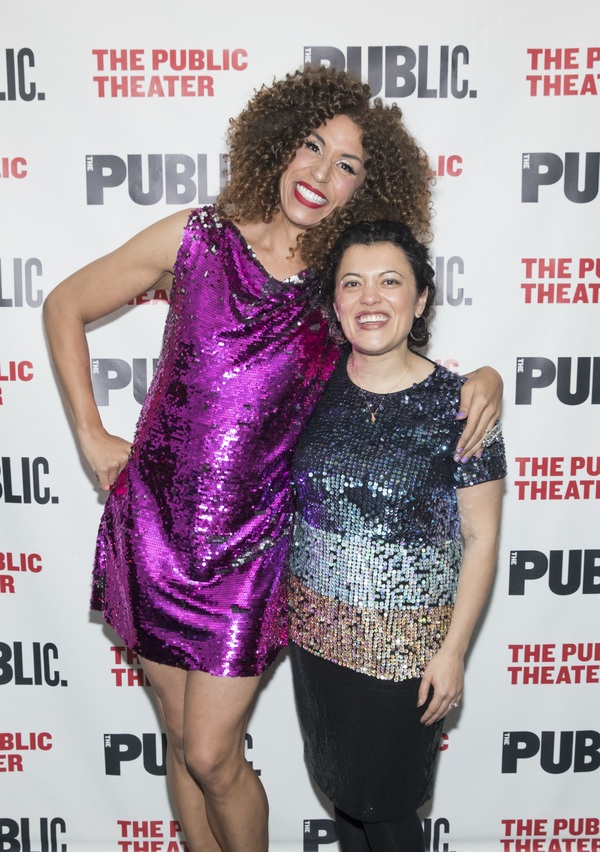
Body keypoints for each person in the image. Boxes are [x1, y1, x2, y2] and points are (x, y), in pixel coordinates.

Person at [43, 66, 502, 852]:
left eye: (348, 165)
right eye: (312, 146)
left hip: (252, 552)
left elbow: (395, 367)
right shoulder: (194, 237)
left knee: (210, 752)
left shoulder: (337, 290)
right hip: (151, 530)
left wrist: (486, 379)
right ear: (279, 146)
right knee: (178, 744)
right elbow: (65, 305)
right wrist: (91, 435)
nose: (321, 174)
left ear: (368, 188)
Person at [287, 219, 506, 852]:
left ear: (421, 299)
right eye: (352, 284)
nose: (370, 298)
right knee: (345, 801)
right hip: (317, 643)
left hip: (408, 655)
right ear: (335, 303)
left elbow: (481, 539)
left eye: (390, 282)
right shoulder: (308, 392)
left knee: (386, 809)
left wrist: (455, 649)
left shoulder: (464, 405)